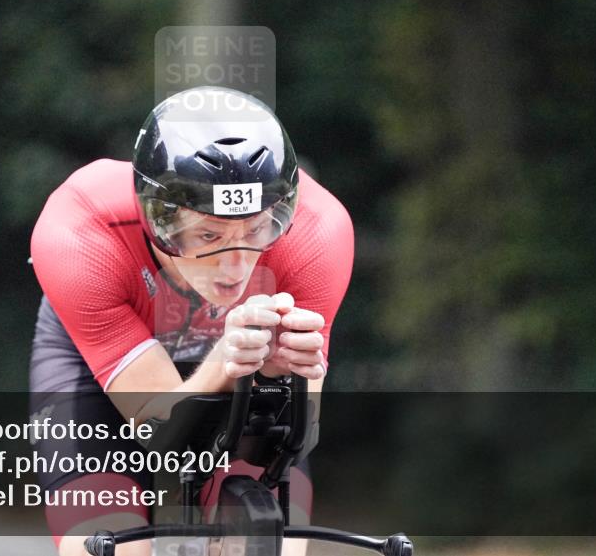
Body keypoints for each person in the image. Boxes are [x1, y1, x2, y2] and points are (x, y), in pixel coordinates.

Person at [29, 86, 354, 556]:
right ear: (157, 217)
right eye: (208, 233)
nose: (236, 266)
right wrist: (224, 360)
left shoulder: (318, 233)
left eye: (257, 228)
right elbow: (161, 429)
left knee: (273, 543)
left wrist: (285, 375)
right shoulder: (81, 234)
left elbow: (295, 438)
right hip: (101, 376)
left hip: (243, 362)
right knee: (113, 545)